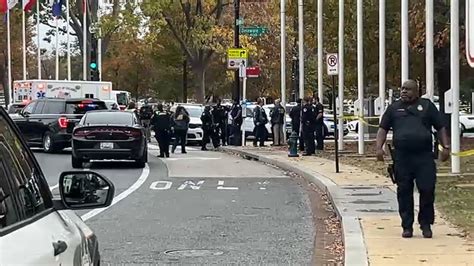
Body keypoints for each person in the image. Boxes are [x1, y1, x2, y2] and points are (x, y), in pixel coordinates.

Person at [376, 79, 450, 239]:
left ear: (416, 91)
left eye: (408, 89)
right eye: (402, 89)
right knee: (404, 191)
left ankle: (426, 223)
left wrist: (446, 147)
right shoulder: (394, 108)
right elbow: (383, 128)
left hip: (424, 156)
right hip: (402, 157)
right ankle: (407, 226)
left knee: (427, 189)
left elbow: (440, 127)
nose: (403, 91)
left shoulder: (427, 106)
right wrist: (378, 148)